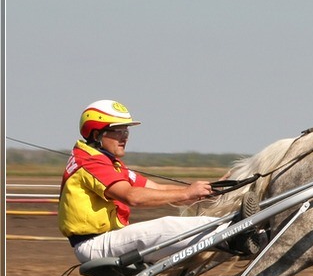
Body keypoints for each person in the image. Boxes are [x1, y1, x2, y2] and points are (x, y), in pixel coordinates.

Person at [58, 100, 252, 264]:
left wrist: (203, 191)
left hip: (105, 240)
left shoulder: (108, 163)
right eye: (117, 131)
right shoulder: (91, 162)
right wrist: (187, 193)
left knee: (177, 231)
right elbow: (133, 197)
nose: (125, 136)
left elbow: (158, 189)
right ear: (96, 134)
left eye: (126, 130)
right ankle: (239, 232)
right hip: (95, 244)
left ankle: (236, 230)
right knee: (167, 226)